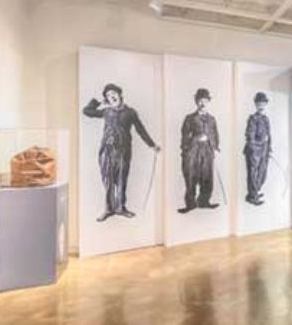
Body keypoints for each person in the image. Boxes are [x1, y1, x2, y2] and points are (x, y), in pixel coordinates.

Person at [82, 83, 161, 221]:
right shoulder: (106, 111)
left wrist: (152, 145)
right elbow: (87, 111)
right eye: (108, 96)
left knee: (121, 179)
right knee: (108, 180)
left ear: (120, 94)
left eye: (114, 94)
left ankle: (121, 208)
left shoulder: (130, 113)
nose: (112, 97)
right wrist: (99, 102)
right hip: (107, 150)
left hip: (123, 151)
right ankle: (108, 209)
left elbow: (140, 130)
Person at [179, 88, 220, 213]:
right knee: (191, 176)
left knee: (207, 176)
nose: (203, 103)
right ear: (196, 102)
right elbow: (184, 136)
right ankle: (190, 204)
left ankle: (204, 201)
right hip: (193, 151)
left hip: (207, 151)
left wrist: (215, 148)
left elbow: (215, 135)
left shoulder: (212, 119)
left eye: (205, 101)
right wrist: (196, 139)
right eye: (200, 101)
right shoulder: (190, 118)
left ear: (208, 102)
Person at [243, 92, 272, 206]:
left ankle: (254, 192)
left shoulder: (266, 119)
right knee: (253, 174)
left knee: (262, 172)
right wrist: (254, 150)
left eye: (263, 103)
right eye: (259, 103)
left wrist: (269, 148)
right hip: (254, 151)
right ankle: (252, 196)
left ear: (266, 104)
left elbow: (269, 135)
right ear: (255, 104)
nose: (261, 106)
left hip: (264, 150)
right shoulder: (252, 119)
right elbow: (249, 136)